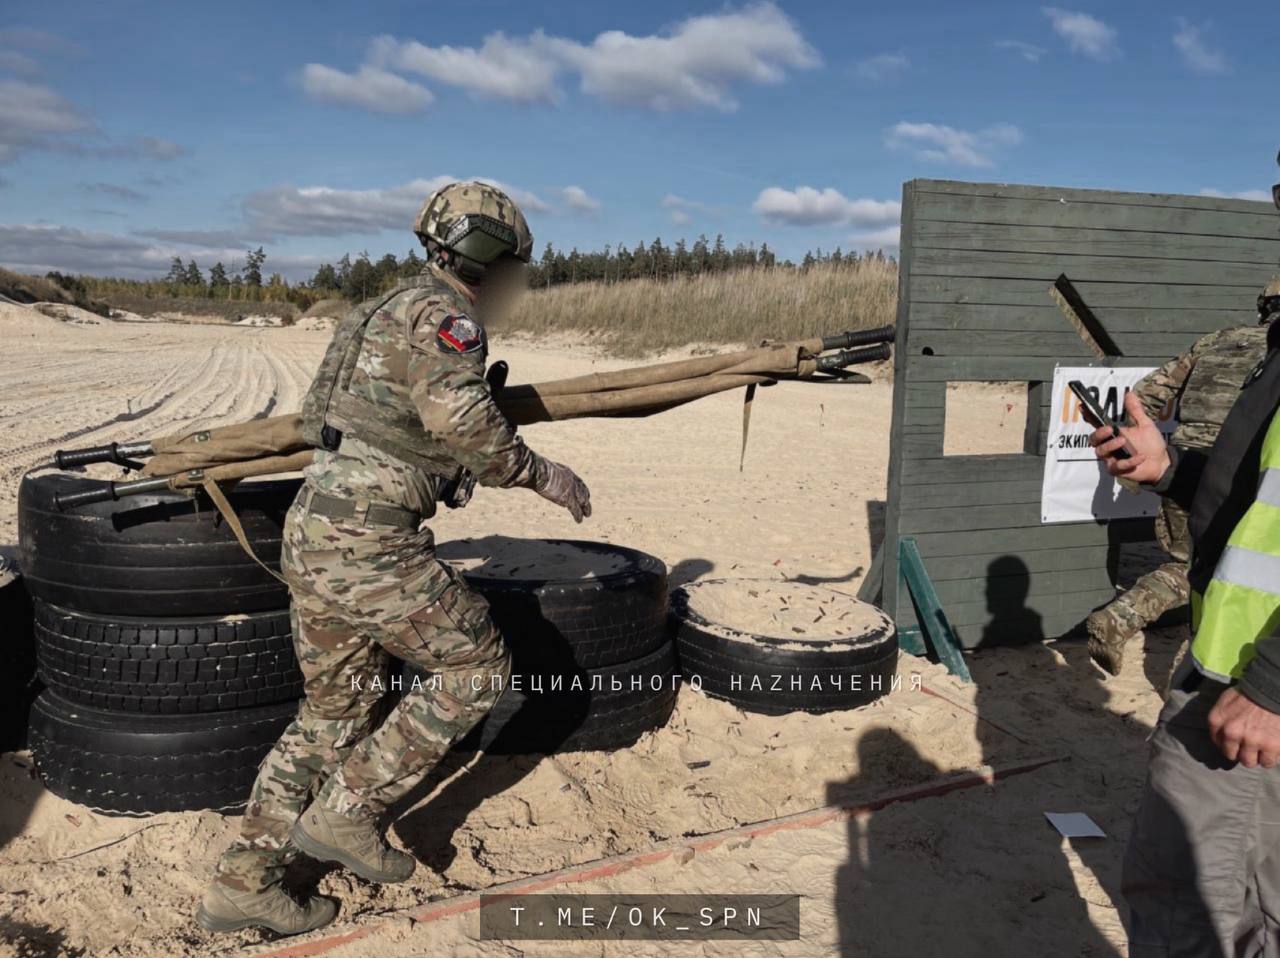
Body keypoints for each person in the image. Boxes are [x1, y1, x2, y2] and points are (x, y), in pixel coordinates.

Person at [196, 181, 592, 936]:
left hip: (315, 527)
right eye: (514, 265)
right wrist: (546, 476)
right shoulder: (449, 319)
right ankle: (348, 811)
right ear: (487, 258)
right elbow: (465, 421)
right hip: (369, 538)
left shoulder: (376, 311)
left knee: (332, 713)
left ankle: (242, 882)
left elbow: (325, 416)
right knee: (476, 669)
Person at [1091, 275, 1280, 955]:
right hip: (1233, 658)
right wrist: (1172, 466)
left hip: (1249, 688)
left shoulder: (1222, 340)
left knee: (1182, 897)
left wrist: (1272, 686)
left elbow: (1147, 390)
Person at [1085, 284, 1278, 674]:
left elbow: (1145, 396)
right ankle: (1128, 618)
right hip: (1244, 475)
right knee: (1208, 572)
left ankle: (1126, 617)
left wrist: (1137, 445)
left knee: (1192, 564)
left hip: (1182, 463)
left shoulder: (1218, 340)